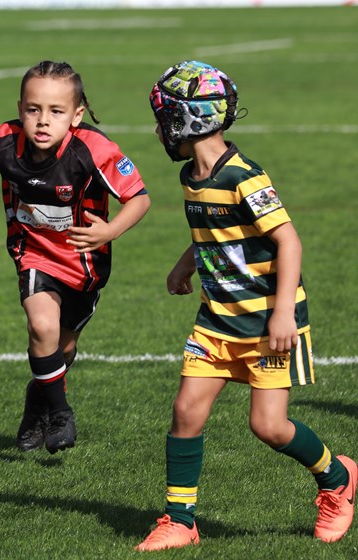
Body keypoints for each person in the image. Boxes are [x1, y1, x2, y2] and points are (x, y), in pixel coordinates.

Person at [135, 60, 356, 551]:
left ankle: (337, 479)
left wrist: (281, 314)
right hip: (217, 320)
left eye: (165, 117)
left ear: (189, 120)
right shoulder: (193, 176)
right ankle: (180, 520)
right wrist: (185, 265)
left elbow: (289, 242)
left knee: (269, 427)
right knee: (186, 410)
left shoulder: (245, 177)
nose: (158, 129)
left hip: (267, 321)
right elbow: (215, 235)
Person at [0, 61, 151, 455]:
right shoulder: (4, 142)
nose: (43, 121)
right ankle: (61, 413)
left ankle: (38, 399)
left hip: (84, 262)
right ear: (20, 107)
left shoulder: (93, 149)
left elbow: (139, 198)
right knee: (41, 327)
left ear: (76, 115)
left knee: (63, 347)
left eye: (56, 112)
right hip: (33, 253)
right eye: (33, 109)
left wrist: (109, 231)